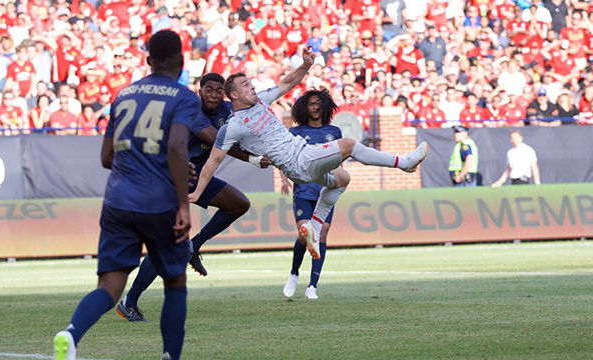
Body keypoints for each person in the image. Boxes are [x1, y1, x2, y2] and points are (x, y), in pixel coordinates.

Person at [190, 46, 428, 262]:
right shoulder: (233, 126)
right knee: (347, 144)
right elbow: (212, 162)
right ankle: (403, 163)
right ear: (233, 96)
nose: (252, 87)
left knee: (343, 179)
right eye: (246, 85)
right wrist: (198, 192)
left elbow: (287, 83)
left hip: (303, 156)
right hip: (297, 163)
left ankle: (314, 226)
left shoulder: (261, 100)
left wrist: (305, 65)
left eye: (251, 83)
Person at [53, 30, 197, 360]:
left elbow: (106, 158)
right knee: (175, 282)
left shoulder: (124, 95)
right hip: (159, 202)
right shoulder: (183, 97)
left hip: (118, 201)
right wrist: (183, 204)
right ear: (182, 61)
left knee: (109, 287)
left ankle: (71, 334)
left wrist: (151, 162)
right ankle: (169, 356)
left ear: (148, 61)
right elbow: (176, 146)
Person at [115, 72, 271, 322]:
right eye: (208, 89)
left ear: (225, 93)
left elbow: (252, 113)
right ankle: (129, 302)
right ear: (199, 91)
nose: (213, 95)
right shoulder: (190, 111)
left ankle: (193, 246)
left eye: (218, 90)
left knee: (239, 204)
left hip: (196, 175)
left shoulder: (227, 109)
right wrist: (253, 158)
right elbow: (217, 140)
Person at [280, 89, 341, 300]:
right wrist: (284, 179)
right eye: (311, 104)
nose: (315, 107)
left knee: (322, 234)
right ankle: (294, 273)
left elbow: (339, 162)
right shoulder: (296, 132)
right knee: (305, 234)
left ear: (325, 106)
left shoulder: (335, 131)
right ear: (304, 107)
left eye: (318, 104)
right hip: (304, 190)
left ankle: (312, 286)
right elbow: (284, 157)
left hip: (326, 191)